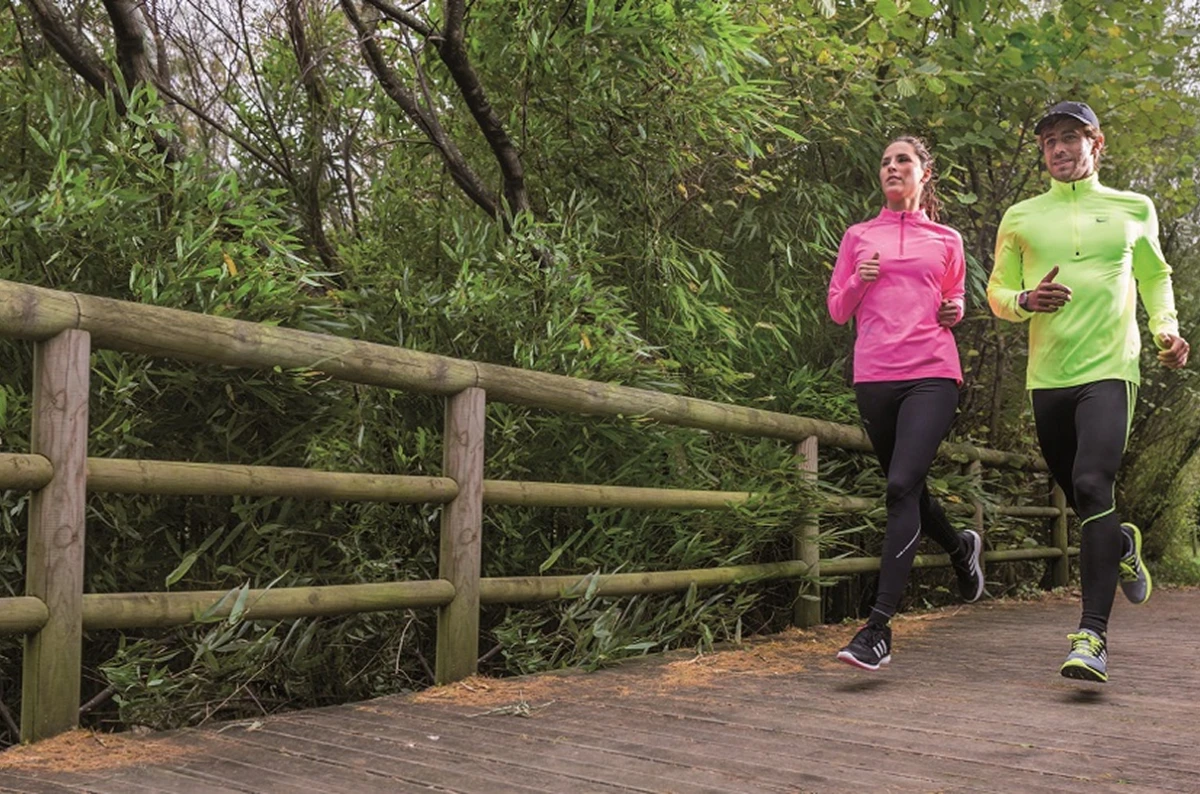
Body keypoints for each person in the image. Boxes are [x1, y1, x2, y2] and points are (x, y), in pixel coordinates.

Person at [987, 101, 1189, 683]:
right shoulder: (1021, 216)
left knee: (1091, 482)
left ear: (1096, 143)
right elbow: (997, 294)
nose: (1059, 149)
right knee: (1085, 501)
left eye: (1070, 137)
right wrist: (1025, 302)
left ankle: (1092, 635)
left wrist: (1165, 330)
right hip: (1047, 376)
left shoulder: (1133, 208)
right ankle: (1121, 541)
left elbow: (1154, 276)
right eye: (1049, 140)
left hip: (1111, 367)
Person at [828, 135, 986, 671]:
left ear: (924, 174)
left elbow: (954, 297)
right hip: (874, 376)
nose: (892, 168)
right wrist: (857, 278)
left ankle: (877, 629)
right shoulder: (858, 235)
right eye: (885, 162)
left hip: (932, 373)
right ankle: (961, 551)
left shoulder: (946, 238)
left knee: (899, 486)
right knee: (909, 489)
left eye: (903, 161)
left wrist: (955, 311)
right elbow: (836, 309)